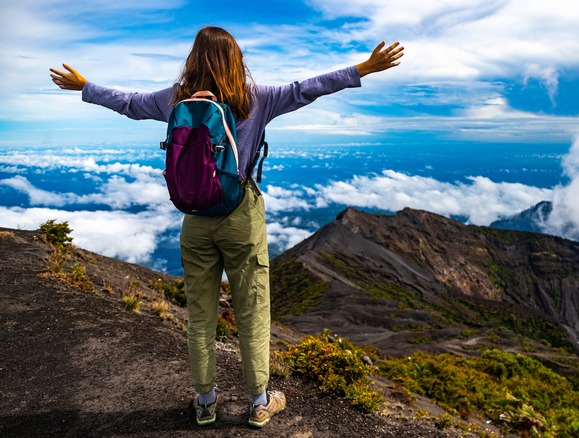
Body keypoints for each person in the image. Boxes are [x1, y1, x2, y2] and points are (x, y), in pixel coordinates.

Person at [50, 26, 403, 428]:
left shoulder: (175, 98)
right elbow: (308, 87)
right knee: (252, 310)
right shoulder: (257, 97)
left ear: (194, 58)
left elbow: (128, 102)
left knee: (200, 315)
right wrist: (364, 68)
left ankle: (205, 402)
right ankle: (258, 402)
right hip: (242, 216)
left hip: (195, 219)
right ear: (236, 59)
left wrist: (85, 86)